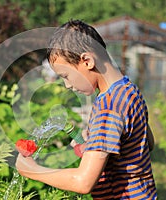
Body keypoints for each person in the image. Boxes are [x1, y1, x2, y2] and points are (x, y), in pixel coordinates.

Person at [16, 19, 157, 199]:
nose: (67, 85)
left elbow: (83, 182)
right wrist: (95, 145)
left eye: (66, 76)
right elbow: (147, 143)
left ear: (87, 61)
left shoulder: (109, 108)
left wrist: (32, 170)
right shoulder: (128, 90)